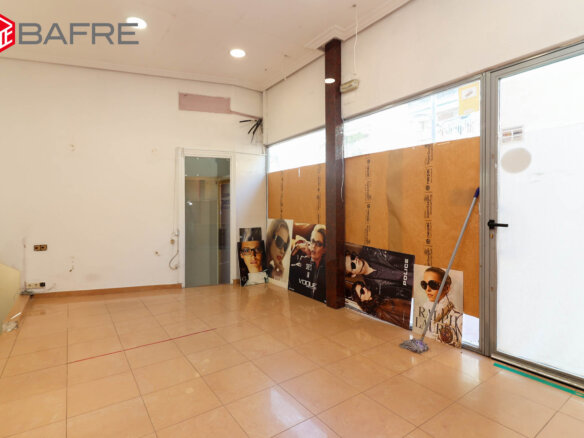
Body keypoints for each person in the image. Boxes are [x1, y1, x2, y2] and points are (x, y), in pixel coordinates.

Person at [419, 267, 462, 347]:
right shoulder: (429, 311)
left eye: (433, 285)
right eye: (424, 285)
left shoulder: (458, 319)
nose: (427, 289)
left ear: (447, 288)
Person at [345, 248, 412, 300]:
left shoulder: (371, 249)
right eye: (352, 265)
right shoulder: (372, 288)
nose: (355, 260)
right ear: (353, 275)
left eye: (352, 257)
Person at [289, 225, 327, 302]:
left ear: (324, 249)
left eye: (318, 244)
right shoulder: (303, 261)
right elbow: (286, 274)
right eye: (312, 241)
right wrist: (296, 249)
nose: (313, 246)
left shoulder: (328, 270)